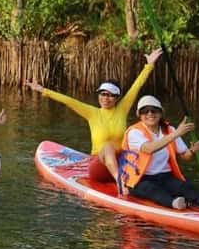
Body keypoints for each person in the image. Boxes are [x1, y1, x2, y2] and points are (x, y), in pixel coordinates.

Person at [23, 48, 162, 189]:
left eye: (110, 95)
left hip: (125, 163)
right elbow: (68, 101)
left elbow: (136, 87)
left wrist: (149, 65)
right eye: (103, 94)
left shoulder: (122, 109)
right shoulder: (92, 113)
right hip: (99, 167)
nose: (106, 98)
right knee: (107, 147)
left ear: (117, 98)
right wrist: (42, 90)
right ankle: (119, 181)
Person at [119, 95, 199, 210]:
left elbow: (185, 156)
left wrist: (193, 151)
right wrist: (176, 134)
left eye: (154, 110)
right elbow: (149, 149)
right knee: (151, 189)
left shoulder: (170, 130)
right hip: (140, 179)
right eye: (145, 111)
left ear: (160, 113)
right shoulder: (134, 132)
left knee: (183, 187)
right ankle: (173, 203)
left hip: (165, 176)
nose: (150, 114)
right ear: (139, 115)